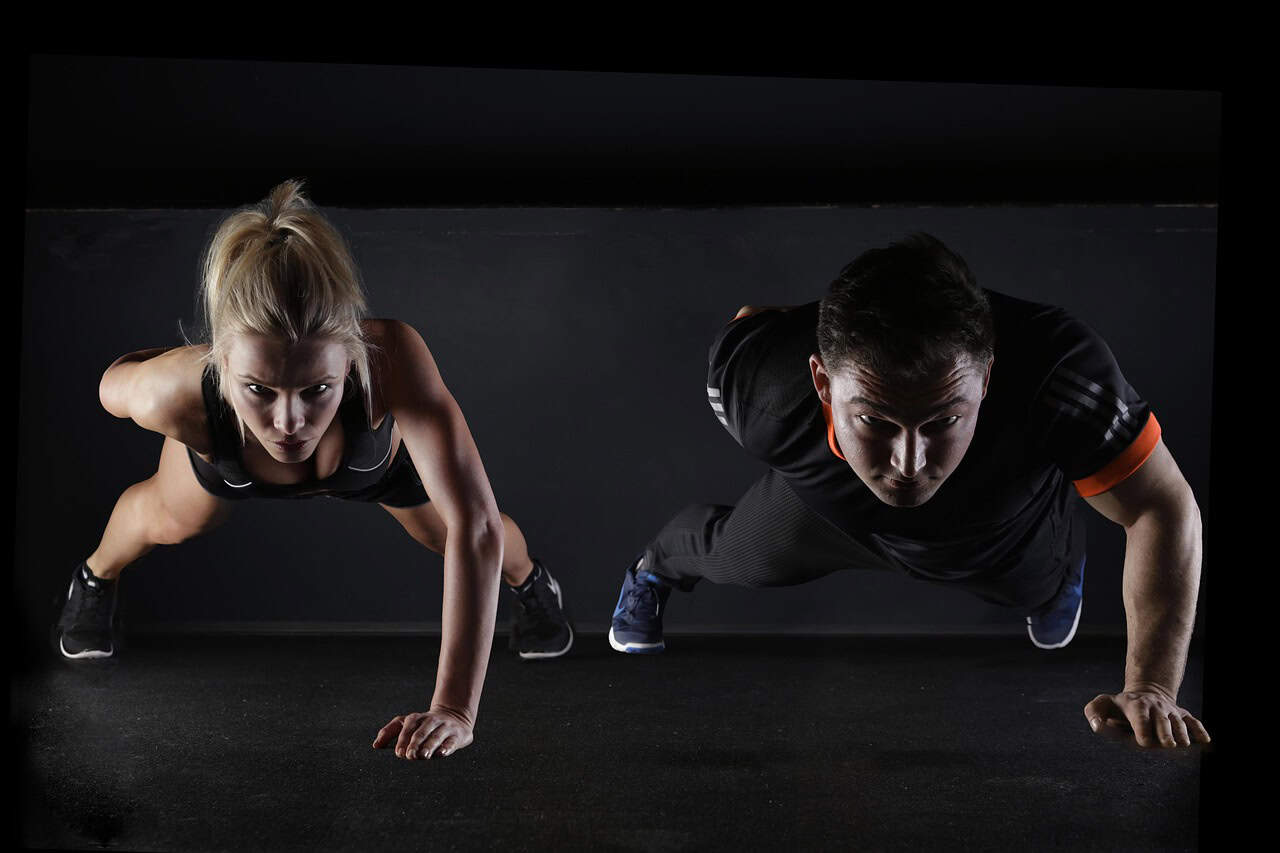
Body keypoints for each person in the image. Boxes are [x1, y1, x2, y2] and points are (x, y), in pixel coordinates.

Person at [609, 233, 1210, 750]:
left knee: (1037, 586)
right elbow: (752, 323)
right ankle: (654, 569)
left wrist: (1152, 686)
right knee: (732, 558)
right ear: (822, 380)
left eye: (942, 420)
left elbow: (1160, 505)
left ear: (988, 376)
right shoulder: (764, 386)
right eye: (875, 420)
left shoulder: (1058, 370)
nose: (908, 462)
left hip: (995, 531)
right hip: (826, 513)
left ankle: (1055, 571)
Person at [55, 180, 574, 760]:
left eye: (317, 389)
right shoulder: (171, 393)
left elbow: (476, 525)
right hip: (228, 459)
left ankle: (531, 585)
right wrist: (192, 369)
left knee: (447, 531)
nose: (289, 422)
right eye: (259, 389)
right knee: (170, 520)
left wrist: (454, 707)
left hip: (368, 466)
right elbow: (112, 383)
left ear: (350, 358)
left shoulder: (391, 359)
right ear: (221, 359)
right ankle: (95, 580)